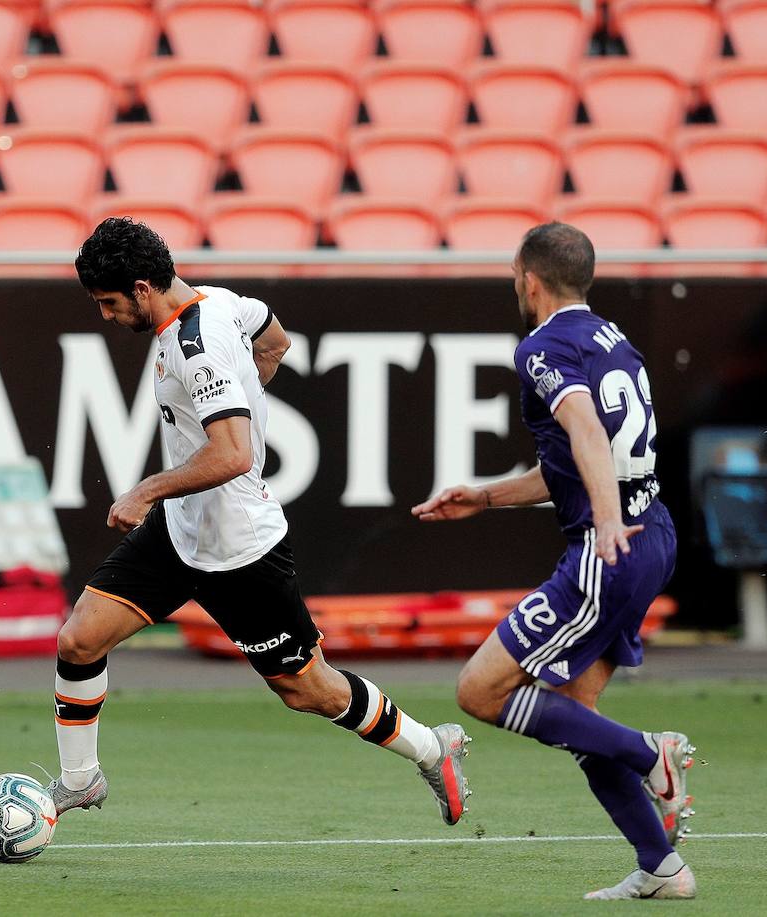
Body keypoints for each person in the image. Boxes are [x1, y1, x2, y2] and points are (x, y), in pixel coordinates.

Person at [46, 218, 471, 825]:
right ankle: (80, 781)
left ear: (143, 289)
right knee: (78, 639)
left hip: (239, 548)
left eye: (109, 304)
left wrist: (147, 488)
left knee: (307, 690)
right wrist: (252, 393)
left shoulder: (197, 347)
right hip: (180, 531)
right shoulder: (218, 300)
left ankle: (434, 747)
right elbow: (274, 338)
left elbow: (233, 454)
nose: (106, 316)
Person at [414, 223, 696, 901]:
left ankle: (647, 753)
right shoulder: (612, 340)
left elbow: (588, 433)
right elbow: (576, 459)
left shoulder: (541, 346)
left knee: (479, 690)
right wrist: (486, 496)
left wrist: (603, 521)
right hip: (651, 535)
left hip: (612, 545)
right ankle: (662, 867)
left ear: (528, 279)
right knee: (577, 713)